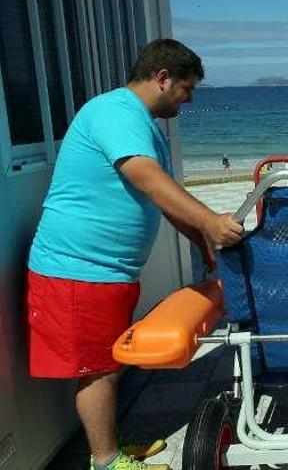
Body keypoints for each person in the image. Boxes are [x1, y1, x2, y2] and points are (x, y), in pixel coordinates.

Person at [26, 39, 244, 470]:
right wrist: (208, 222)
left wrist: (200, 241)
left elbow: (164, 201)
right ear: (162, 78)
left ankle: (111, 445)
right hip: (77, 269)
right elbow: (144, 178)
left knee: (110, 361)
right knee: (98, 370)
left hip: (109, 272)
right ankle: (106, 462)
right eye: (186, 88)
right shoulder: (115, 112)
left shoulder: (143, 125)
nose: (190, 98)